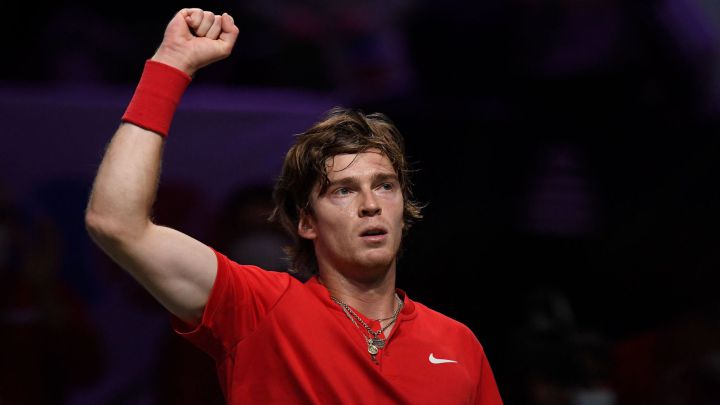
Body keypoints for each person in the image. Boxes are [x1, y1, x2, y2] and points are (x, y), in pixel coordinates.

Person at [85, 7, 503, 404]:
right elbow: (116, 223)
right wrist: (170, 66)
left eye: (385, 186)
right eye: (343, 190)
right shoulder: (255, 308)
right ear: (306, 221)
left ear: (403, 208)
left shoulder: (458, 344)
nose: (370, 204)